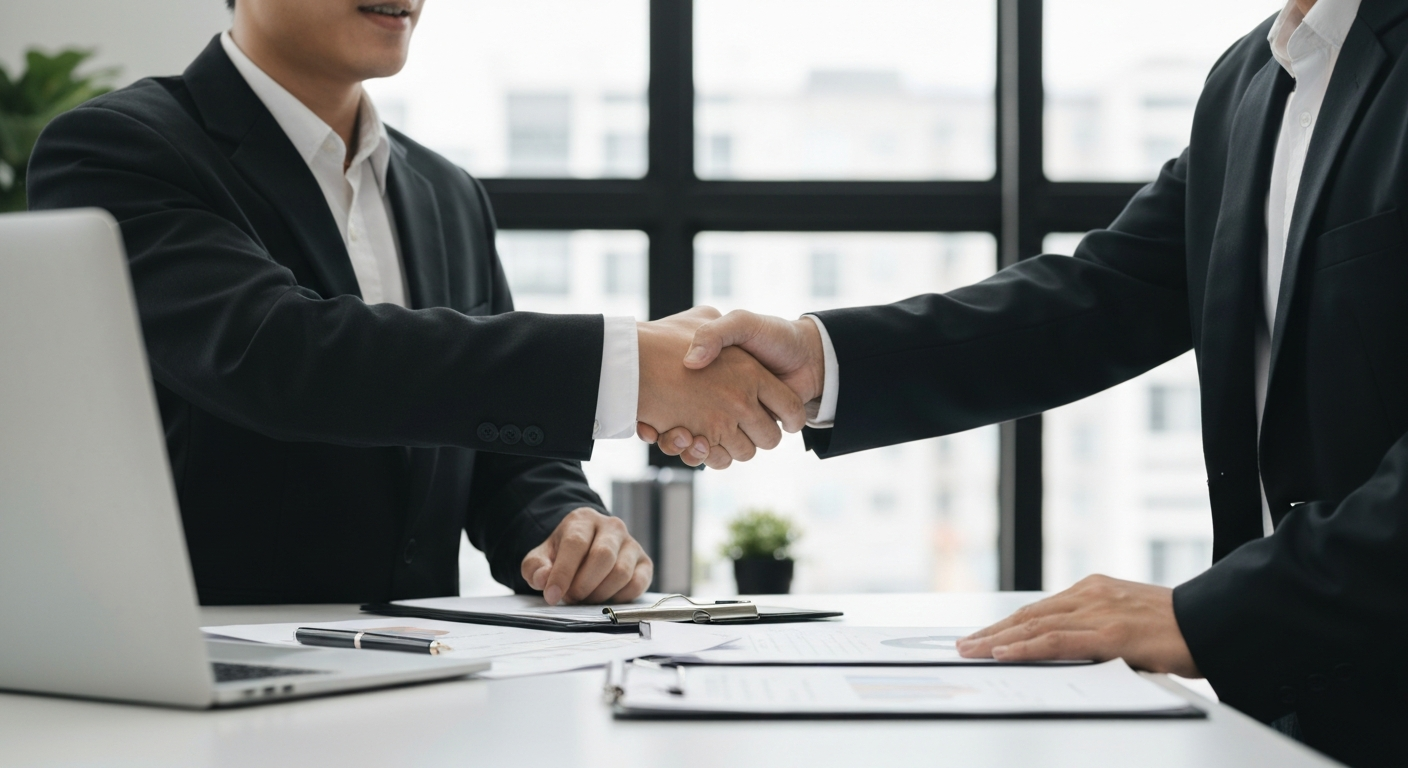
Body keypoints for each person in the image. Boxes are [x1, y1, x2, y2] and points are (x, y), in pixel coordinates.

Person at [642, 0, 1408, 764]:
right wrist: (819, 360)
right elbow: (1099, 297)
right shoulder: (1252, 78)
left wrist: (1212, 615)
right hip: (1295, 712)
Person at [26, 0, 803, 608]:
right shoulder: (119, 150)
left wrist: (563, 527)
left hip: (422, 679)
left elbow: (504, 454)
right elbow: (281, 355)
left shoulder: (446, 193)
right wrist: (628, 365)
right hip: (208, 675)